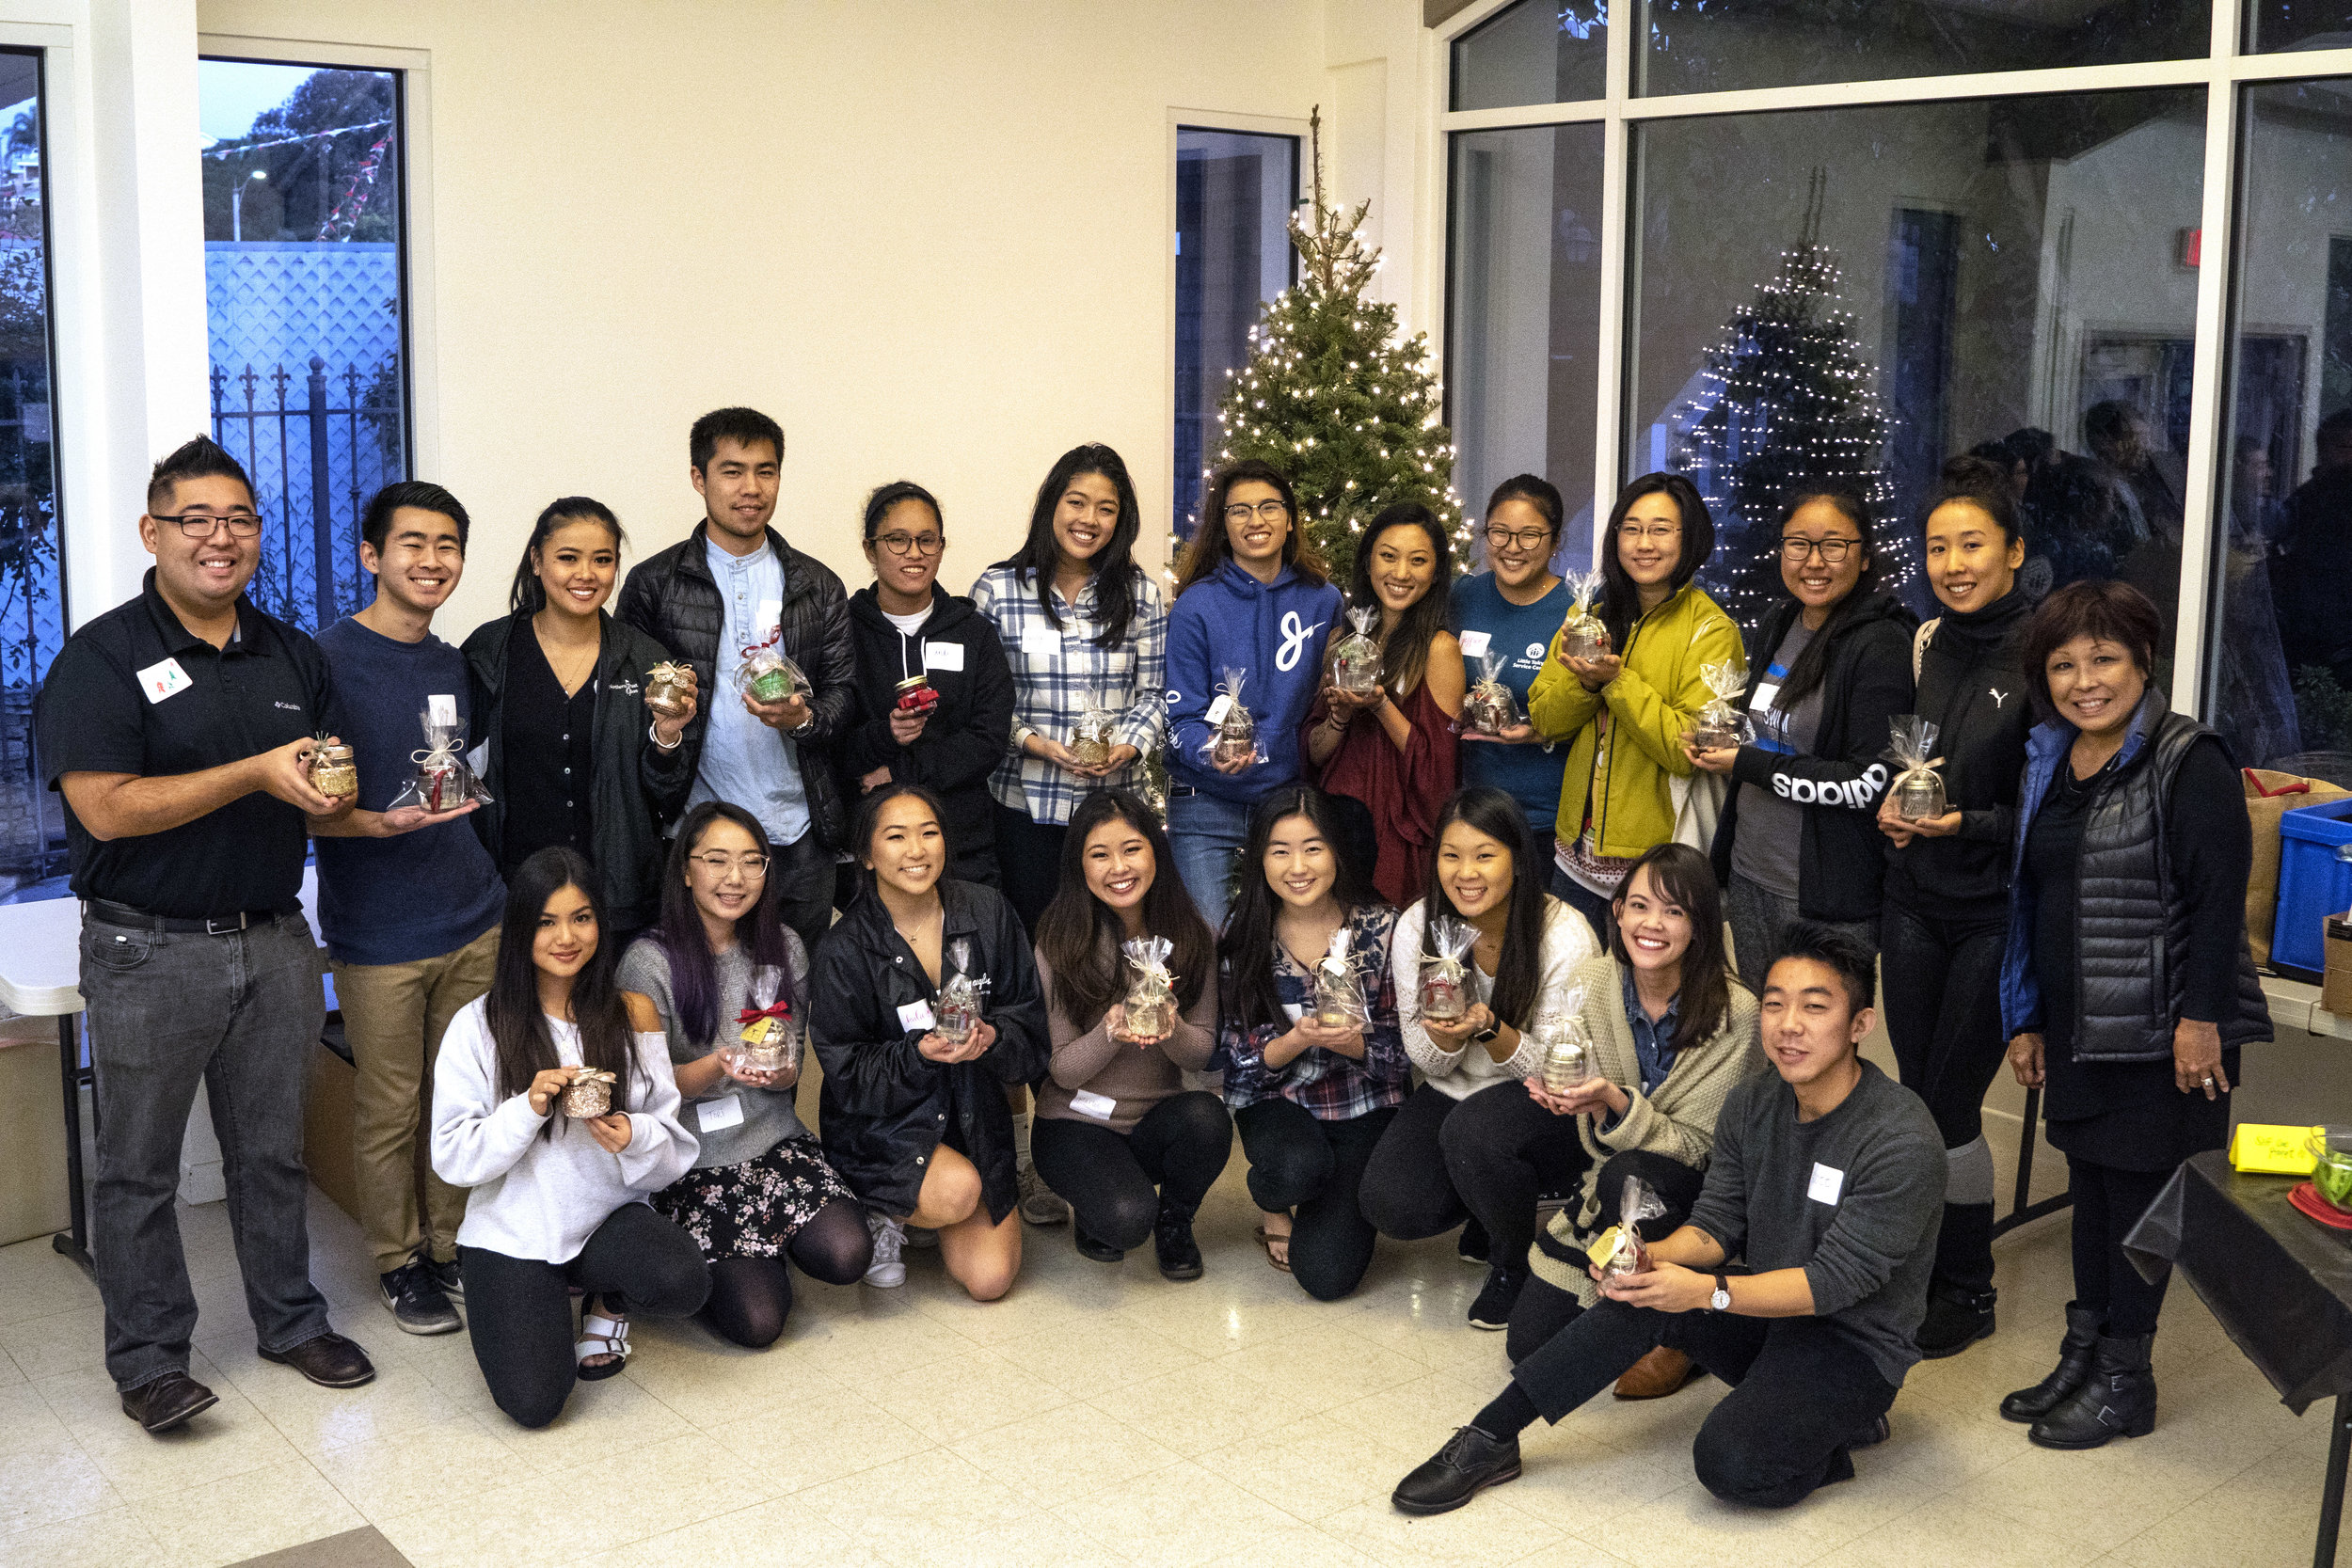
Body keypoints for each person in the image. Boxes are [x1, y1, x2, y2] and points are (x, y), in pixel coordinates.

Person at [37, 436, 376, 1433]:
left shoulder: (289, 653)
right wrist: (254, 773)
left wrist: (376, 816)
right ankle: (148, 1361)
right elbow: (104, 809)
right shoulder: (101, 657)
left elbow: (308, 795)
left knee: (271, 1151)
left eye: (239, 519)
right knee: (136, 1167)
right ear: (153, 531)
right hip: (147, 950)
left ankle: (289, 1318)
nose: (220, 537)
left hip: (275, 939)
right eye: (197, 519)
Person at [1391, 924, 1943, 1517]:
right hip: (1765, 1311)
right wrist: (1655, 1261)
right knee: (1649, 1292)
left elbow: (1834, 1284)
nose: (1789, 1025)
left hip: (1852, 1343)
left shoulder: (1898, 1137)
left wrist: (1705, 1292)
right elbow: (1714, 1228)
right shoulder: (1755, 1103)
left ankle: (1841, 1429)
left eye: (1815, 1007)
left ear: (1860, 1025)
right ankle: (1489, 1439)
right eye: (1776, 1003)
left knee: (1733, 1465)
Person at [1998, 580, 2270, 1449]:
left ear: (2143, 660)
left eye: (2104, 658)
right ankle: (2084, 1352)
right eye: (2065, 664)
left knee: (2145, 1207)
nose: (2085, 680)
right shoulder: (2053, 757)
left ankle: (2128, 1378)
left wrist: (2203, 1022)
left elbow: (2218, 903)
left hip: (2162, 1035)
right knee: (2091, 1192)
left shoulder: (2191, 759)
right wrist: (2029, 1016)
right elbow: (2036, 899)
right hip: (2080, 1027)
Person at [309, 481, 506, 1337]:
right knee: (391, 1102)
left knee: (461, 1093)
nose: (432, 561)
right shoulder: (324, 660)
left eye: (448, 547)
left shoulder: (453, 660)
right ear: (370, 555)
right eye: (413, 544)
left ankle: (451, 1241)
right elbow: (305, 799)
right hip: (379, 929)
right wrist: (370, 823)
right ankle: (398, 1261)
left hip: (474, 915)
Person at [431, 848, 707, 1429]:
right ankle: (531, 1300)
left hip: (603, 1220)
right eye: (546, 922)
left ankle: (604, 1300)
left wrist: (634, 1133)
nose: (567, 937)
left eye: (581, 918)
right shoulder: (478, 1024)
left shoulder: (632, 1013)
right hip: (513, 1232)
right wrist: (526, 1109)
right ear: (519, 932)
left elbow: (673, 1148)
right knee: (534, 1405)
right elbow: (452, 1158)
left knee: (684, 1280)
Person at [1872, 456, 2034, 1360]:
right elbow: (1911, 762)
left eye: (1972, 543)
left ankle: (1965, 1286)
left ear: (2014, 550)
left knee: (1948, 1103)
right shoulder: (1928, 642)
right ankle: (1928, 1266)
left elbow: (2050, 813)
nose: (1953, 561)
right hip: (1912, 901)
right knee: (1916, 1095)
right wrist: (1898, 814)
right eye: (1938, 546)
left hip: (1991, 915)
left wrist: (1967, 821)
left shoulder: (2043, 653)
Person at [1509, 845, 1759, 1397]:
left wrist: (1617, 1103)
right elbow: (1569, 1066)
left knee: (1631, 1171)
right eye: (1640, 905)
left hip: (1695, 1195)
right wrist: (1572, 1098)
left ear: (1701, 926)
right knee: (1527, 1347)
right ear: (1616, 910)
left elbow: (1702, 1150)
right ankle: (1623, 1298)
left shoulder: (1737, 1014)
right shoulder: (1596, 981)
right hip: (1614, 1179)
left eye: (1674, 911)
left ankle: (1678, 1329)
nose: (1652, 924)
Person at [618, 802, 871, 1348]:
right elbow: (649, 1095)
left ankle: (767, 1245)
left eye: (753, 862)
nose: (736, 878)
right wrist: (716, 1065)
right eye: (717, 861)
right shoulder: (648, 962)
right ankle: (750, 1258)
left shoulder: (783, 947)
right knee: (758, 1324)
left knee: (849, 1254)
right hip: (690, 1158)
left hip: (772, 1141)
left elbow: (792, 1068)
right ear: (686, 870)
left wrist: (779, 1074)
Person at [617, 406, 854, 959]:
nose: (751, 488)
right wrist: (667, 734)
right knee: (702, 999)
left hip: (799, 832)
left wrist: (805, 718)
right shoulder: (654, 584)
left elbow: (846, 695)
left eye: (765, 471)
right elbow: (632, 714)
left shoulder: (817, 584)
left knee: (788, 1001)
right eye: (732, 471)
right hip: (696, 833)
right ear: (698, 478)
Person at [1358, 786, 1596, 1329]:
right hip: (1452, 1092)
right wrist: (1447, 1034)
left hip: (1544, 1102)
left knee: (1476, 1133)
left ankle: (1514, 1263)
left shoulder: (1564, 935)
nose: (1467, 873)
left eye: (1485, 855)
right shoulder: (1419, 925)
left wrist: (1488, 1027)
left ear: (1517, 858)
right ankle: (1489, 1203)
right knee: (1392, 1205)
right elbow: (1427, 1061)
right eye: (1451, 855)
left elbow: (1564, 1074)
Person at [811, 784, 1049, 1300]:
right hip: (885, 1126)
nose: (917, 850)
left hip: (972, 1118)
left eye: (929, 833)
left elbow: (1031, 1028)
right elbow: (847, 1074)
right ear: (867, 855)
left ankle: (925, 1209)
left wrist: (993, 1037)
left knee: (990, 1281)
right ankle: (884, 1210)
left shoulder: (987, 912)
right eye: (896, 837)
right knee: (958, 1190)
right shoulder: (845, 948)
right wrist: (916, 1055)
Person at [1686, 488, 1915, 990]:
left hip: (1824, 897)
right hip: (1750, 875)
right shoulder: (1780, 620)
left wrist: (1743, 763)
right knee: (1766, 1034)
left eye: (1834, 546)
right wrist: (1717, 737)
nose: (1814, 562)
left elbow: (1868, 783)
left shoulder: (1880, 646)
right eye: (1798, 545)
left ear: (1865, 554)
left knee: (1818, 1045)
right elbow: (1768, 729)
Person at [462, 498, 695, 936]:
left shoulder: (645, 658)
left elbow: (666, 795)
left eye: (602, 560)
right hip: (513, 895)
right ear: (536, 561)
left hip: (617, 897)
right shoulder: (489, 652)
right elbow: (464, 770)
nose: (586, 574)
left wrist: (667, 736)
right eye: (568, 558)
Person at [1527, 473, 1740, 943]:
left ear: (1690, 540)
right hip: (1574, 858)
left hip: (1657, 870)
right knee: (1570, 1002)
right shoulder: (1590, 614)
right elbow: (1546, 720)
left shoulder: (1711, 630)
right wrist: (1584, 685)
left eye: (1661, 529)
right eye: (1631, 528)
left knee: (1649, 1006)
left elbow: (1689, 748)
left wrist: (1617, 682)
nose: (1644, 543)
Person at [1218, 786, 1409, 1299]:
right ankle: (1273, 1199)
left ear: (1337, 853)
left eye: (1313, 847)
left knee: (1325, 1276)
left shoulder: (1382, 928)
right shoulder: (1244, 932)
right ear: (1259, 858)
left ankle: (1328, 1196)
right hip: (1278, 1101)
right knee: (1299, 1168)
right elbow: (1235, 1070)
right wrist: (1295, 1040)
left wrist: (1354, 1045)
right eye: (1280, 850)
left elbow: (1404, 1063)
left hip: (1362, 1104)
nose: (1297, 866)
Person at [1029, 790, 1229, 1278]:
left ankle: (1176, 1220)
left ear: (1156, 850)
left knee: (1207, 1118)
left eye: (1132, 849)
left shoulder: (1193, 932)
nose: (1119, 867)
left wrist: (1171, 1027)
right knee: (1122, 1220)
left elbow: (1202, 1055)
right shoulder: (1059, 938)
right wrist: (1111, 1031)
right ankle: (1096, 1203)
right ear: (1079, 865)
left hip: (1154, 1120)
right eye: (1100, 854)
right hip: (1075, 1123)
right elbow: (1062, 1069)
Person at [970, 443, 1167, 936]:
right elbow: (982, 700)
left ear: (1121, 520)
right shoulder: (998, 589)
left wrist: (1129, 745)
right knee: (1035, 938)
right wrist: (1033, 743)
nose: (1090, 519)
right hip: (1024, 805)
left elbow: (1155, 693)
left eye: (1107, 508)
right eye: (1077, 502)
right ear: (1052, 504)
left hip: (1115, 810)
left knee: (1115, 940)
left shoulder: (1141, 594)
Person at [1165, 461, 1344, 928]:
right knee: (1213, 948)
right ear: (1223, 525)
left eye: (1269, 507)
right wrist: (1211, 754)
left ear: (1290, 519)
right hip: (1205, 805)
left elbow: (1330, 700)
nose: (1255, 520)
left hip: (1288, 809)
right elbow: (1179, 716)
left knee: (1286, 942)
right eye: (1239, 510)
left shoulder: (1325, 601)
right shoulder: (1195, 605)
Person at [836, 481, 1016, 886]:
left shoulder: (974, 634)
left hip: (962, 844)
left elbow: (988, 739)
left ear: (941, 546)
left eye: (926, 540)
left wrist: (899, 770)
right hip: (869, 850)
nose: (914, 553)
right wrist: (886, 735)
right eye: (897, 540)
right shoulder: (842, 631)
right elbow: (831, 739)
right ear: (870, 549)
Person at [1302, 501, 1464, 905]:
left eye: (1418, 560)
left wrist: (1380, 705)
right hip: (1333, 825)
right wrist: (1338, 718)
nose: (1401, 573)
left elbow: (1438, 769)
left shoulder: (1439, 649)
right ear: (1369, 560)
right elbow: (1315, 754)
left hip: (1391, 836)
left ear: (1436, 571)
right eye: (1388, 556)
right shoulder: (1342, 639)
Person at [1452, 476, 1569, 863]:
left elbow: (1594, 706)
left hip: (1548, 819)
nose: (1512, 548)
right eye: (1499, 533)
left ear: (1555, 542)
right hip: (1472, 813)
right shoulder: (1462, 596)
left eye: (1530, 535)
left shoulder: (1578, 610)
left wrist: (1542, 730)